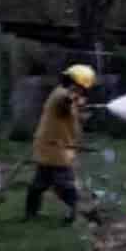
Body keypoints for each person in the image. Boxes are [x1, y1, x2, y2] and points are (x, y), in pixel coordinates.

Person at [24, 64, 98, 225]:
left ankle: (31, 213)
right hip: (55, 149)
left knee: (39, 183)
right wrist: (76, 101)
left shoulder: (65, 94)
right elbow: (65, 102)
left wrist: (81, 111)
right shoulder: (62, 95)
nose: (83, 92)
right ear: (76, 84)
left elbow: (69, 113)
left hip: (51, 147)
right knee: (64, 184)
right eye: (82, 88)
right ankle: (75, 212)